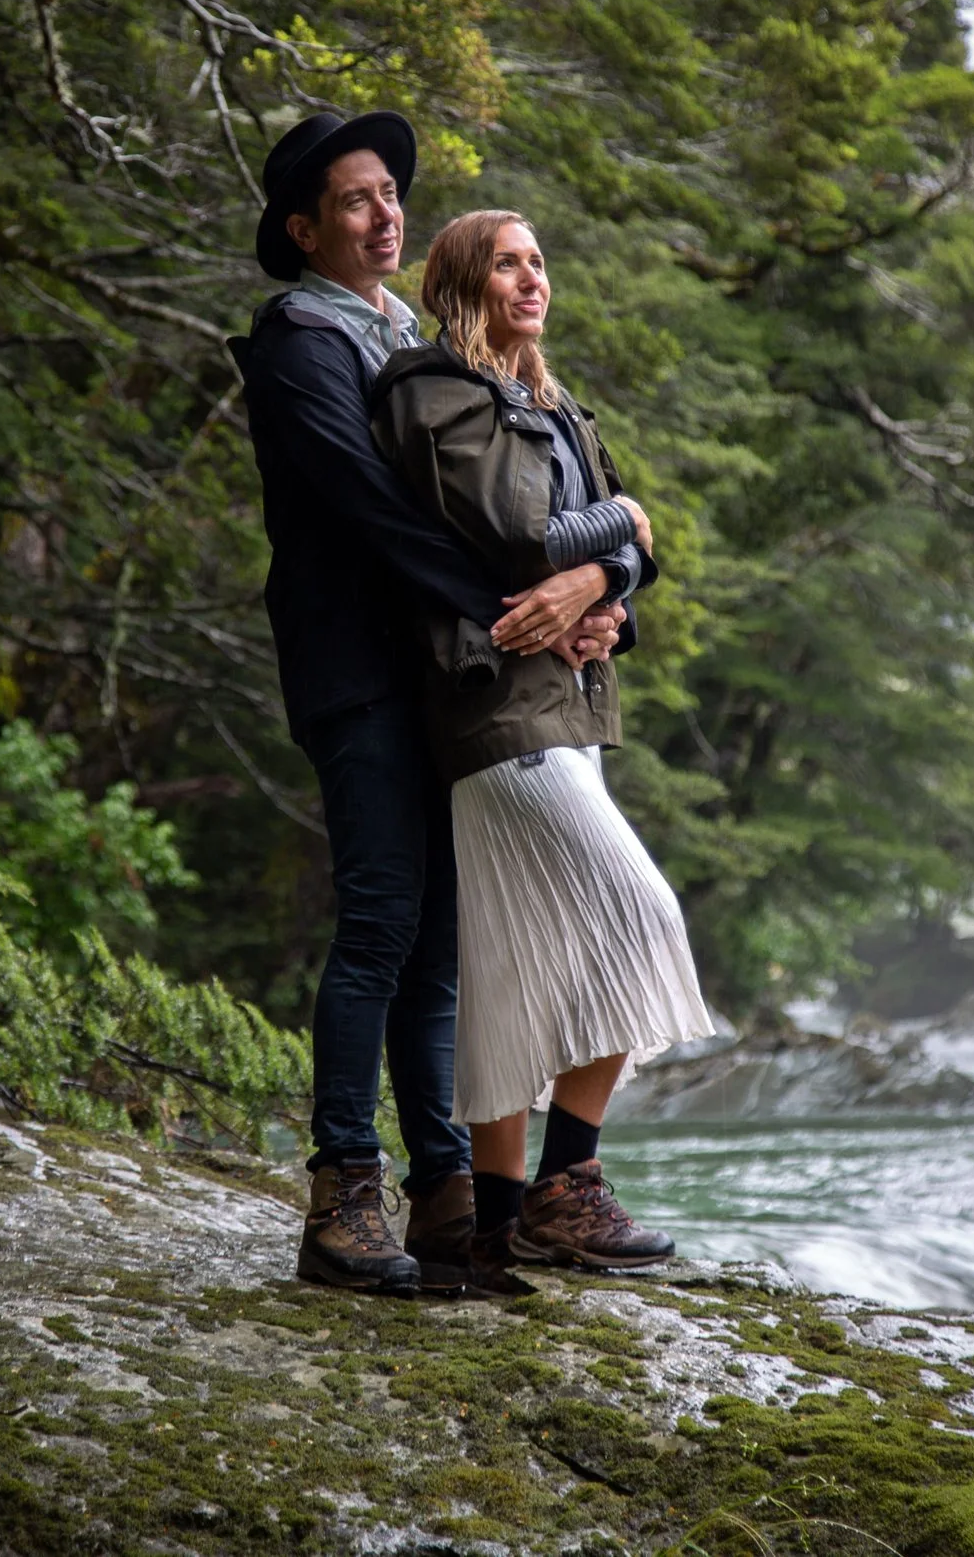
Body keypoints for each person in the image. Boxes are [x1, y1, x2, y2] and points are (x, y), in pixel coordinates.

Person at [234, 117, 625, 1294]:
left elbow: (538, 492)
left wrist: (604, 585)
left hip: (440, 677)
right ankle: (343, 1196)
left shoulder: (413, 338)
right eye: (355, 201)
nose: (384, 213)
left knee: (443, 949)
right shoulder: (297, 343)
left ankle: (446, 1192)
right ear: (305, 230)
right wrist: (534, 604)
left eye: (391, 194)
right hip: (357, 671)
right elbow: (380, 516)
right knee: (380, 924)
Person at [369, 209, 717, 1286]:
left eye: (538, 263)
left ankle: (505, 1213)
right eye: (507, 263)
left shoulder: (558, 406)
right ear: (460, 284)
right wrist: (623, 522)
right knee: (639, 911)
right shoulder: (435, 393)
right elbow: (516, 533)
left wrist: (608, 581)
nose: (531, 280)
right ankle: (572, 1179)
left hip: (566, 702)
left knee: (524, 967)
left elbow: (622, 563)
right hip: (491, 711)